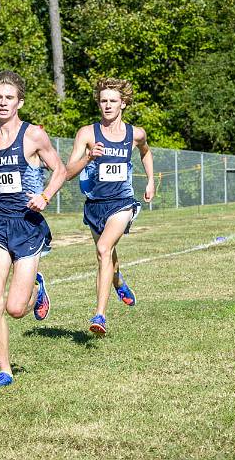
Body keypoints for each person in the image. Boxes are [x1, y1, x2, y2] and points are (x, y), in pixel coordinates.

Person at [0, 70, 66, 388]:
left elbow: (60, 169)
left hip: (28, 227)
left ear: (19, 102)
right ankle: (4, 371)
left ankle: (38, 290)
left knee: (14, 308)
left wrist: (45, 195)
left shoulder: (33, 136)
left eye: (9, 97)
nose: (3, 102)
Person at [65, 77, 154, 336]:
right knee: (107, 255)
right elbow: (68, 172)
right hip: (95, 205)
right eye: (103, 101)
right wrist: (89, 156)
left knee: (104, 249)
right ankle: (119, 280)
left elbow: (146, 152)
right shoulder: (87, 133)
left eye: (113, 101)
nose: (107, 106)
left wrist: (150, 181)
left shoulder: (135, 134)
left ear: (123, 103)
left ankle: (100, 315)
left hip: (122, 202)